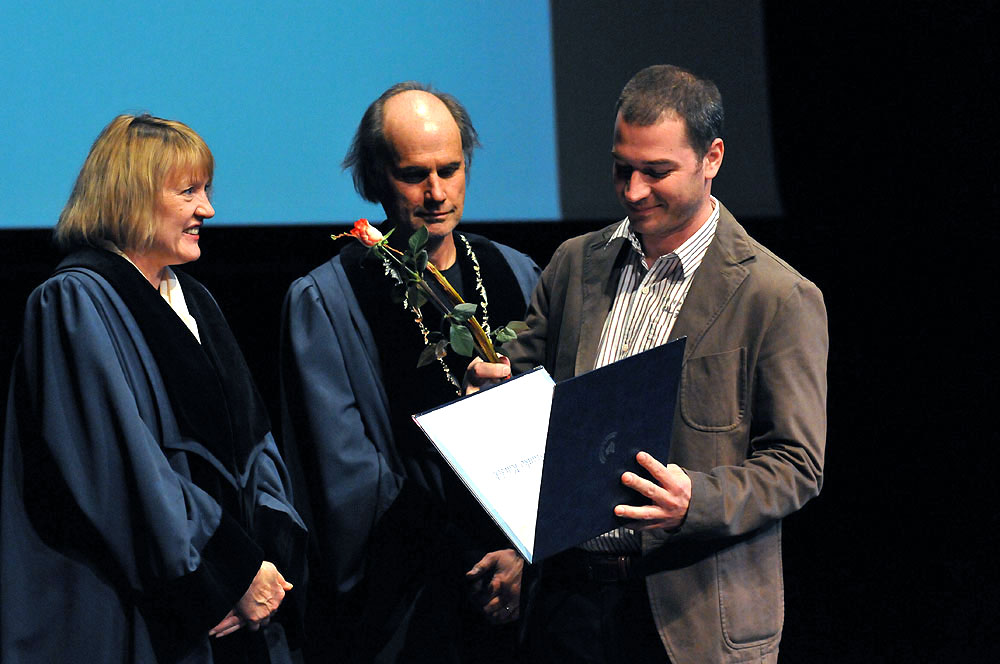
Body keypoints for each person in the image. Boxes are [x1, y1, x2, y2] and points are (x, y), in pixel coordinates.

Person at [466, 65, 829, 663]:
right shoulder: (574, 264)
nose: (633, 190)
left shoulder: (777, 297)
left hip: (691, 618)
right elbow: (529, 399)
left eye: (657, 172)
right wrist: (498, 390)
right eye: (621, 168)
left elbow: (796, 465)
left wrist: (696, 500)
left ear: (711, 159)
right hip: (567, 606)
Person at [0, 114, 307, 663]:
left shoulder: (198, 304)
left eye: (207, 190)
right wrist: (229, 573)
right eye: (188, 191)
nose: (207, 210)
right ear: (130, 196)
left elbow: (254, 445)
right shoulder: (72, 302)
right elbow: (121, 471)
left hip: (240, 610)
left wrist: (268, 565)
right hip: (144, 611)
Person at [279, 82, 540, 662]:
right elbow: (348, 479)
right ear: (375, 179)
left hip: (530, 586)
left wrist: (527, 553)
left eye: (450, 169)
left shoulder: (517, 274)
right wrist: (473, 562)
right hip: (414, 604)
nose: (436, 192)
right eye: (413, 174)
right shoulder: (330, 300)